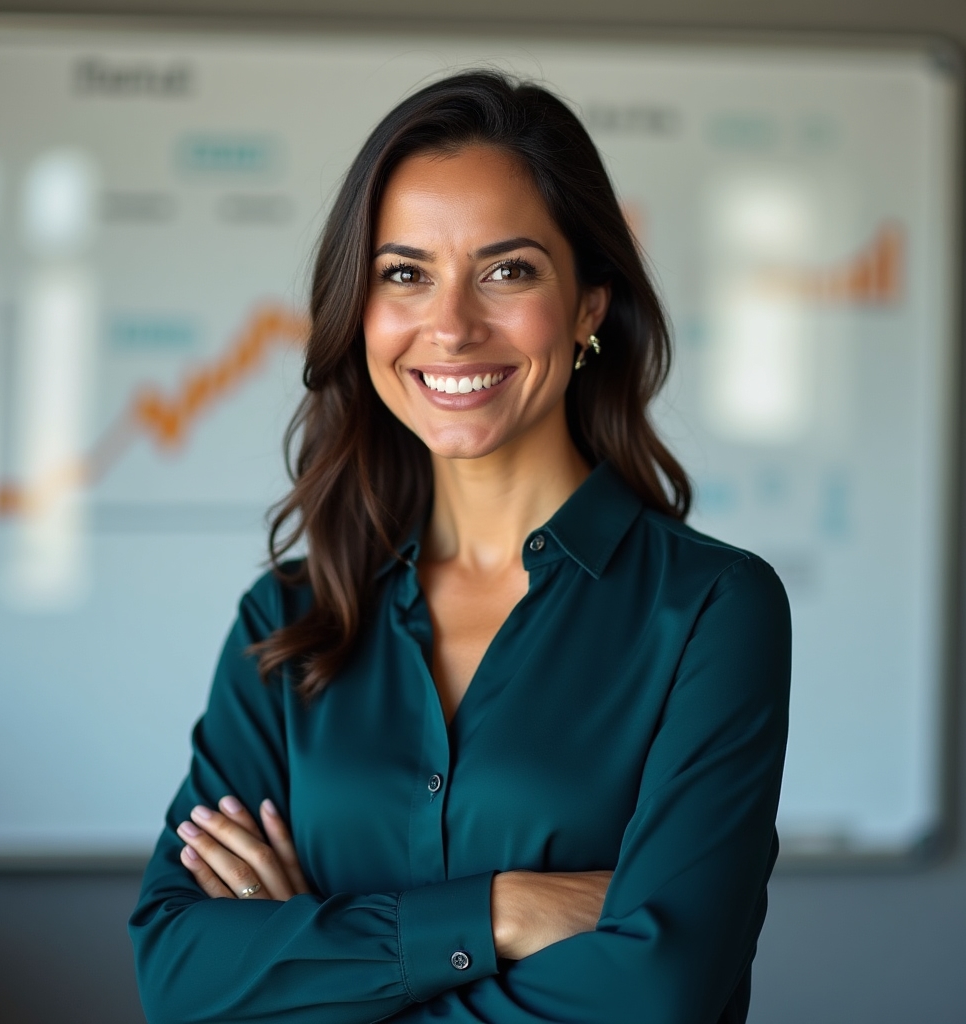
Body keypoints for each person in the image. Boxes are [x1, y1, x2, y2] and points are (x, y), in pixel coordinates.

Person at [129, 70, 791, 1024]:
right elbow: (181, 977)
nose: (451, 325)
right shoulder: (287, 621)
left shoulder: (712, 612)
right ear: (361, 310)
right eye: (406, 274)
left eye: (507, 270)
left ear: (591, 305)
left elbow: (660, 992)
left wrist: (310, 958)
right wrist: (505, 911)